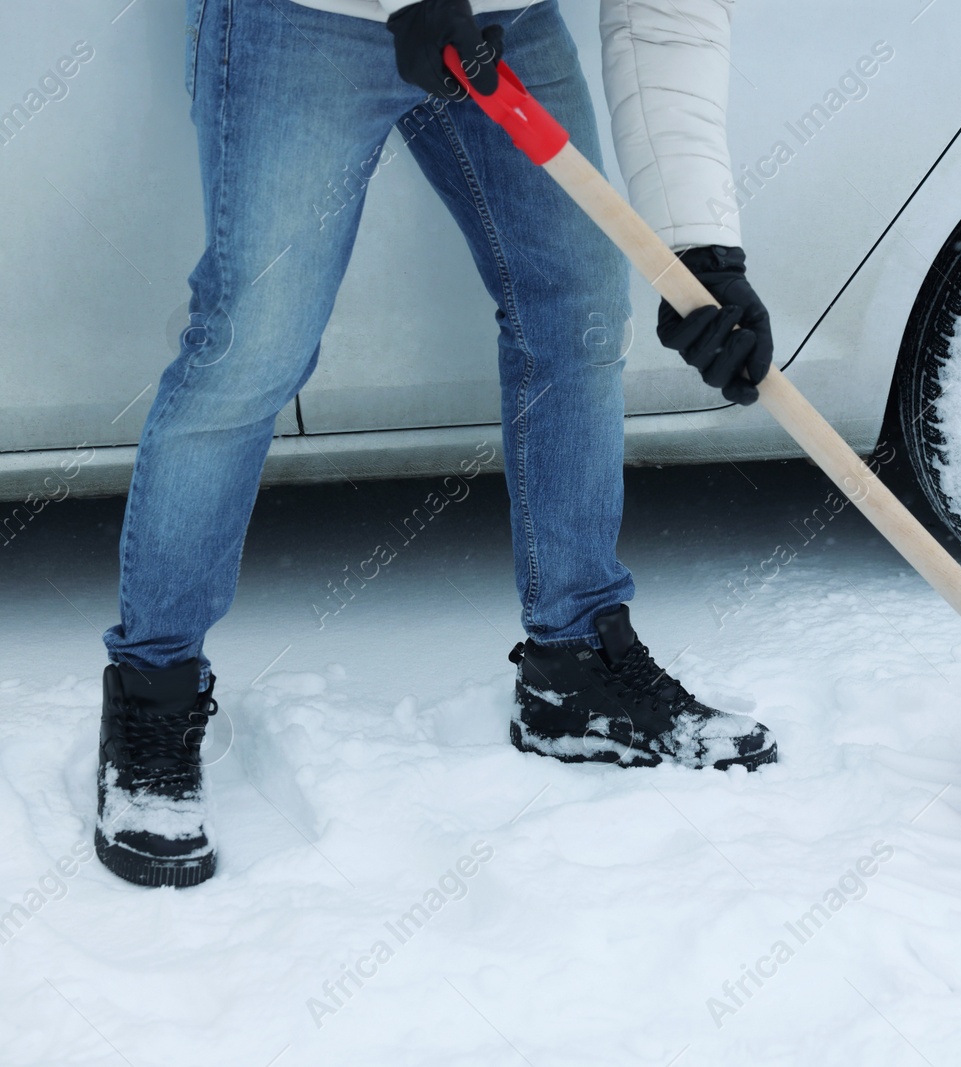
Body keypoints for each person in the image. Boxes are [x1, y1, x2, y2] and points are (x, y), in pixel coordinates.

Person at [94, 0, 777, 890]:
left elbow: (668, 15)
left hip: (502, 19)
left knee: (575, 300)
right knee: (252, 342)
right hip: (302, 20)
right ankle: (154, 689)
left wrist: (701, 249)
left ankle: (574, 666)